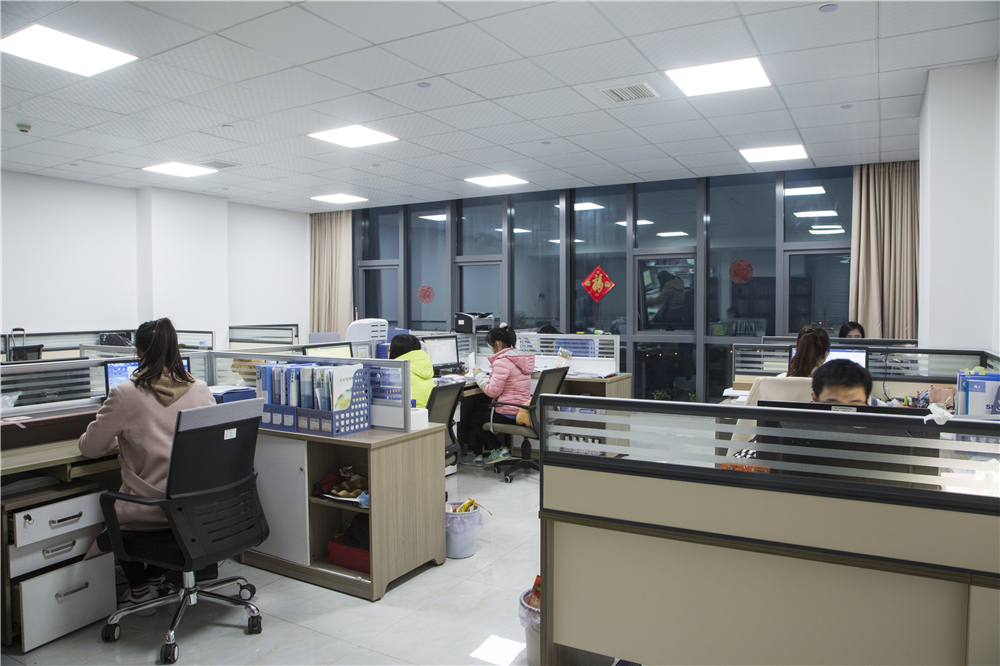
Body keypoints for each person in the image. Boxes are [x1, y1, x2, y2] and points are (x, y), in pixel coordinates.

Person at [79, 318, 215, 613]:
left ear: (139, 353)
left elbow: (90, 448)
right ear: (176, 349)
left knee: (113, 508)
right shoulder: (201, 390)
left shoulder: (124, 394)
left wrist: (119, 437)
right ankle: (154, 578)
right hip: (195, 510)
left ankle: (140, 589)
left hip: (151, 511)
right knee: (164, 506)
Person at [461, 324, 535, 467]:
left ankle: (499, 449)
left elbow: (492, 392)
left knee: (473, 418)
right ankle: (477, 455)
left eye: (490, 346)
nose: (490, 349)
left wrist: (478, 374)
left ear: (497, 344)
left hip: (509, 412)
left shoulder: (502, 361)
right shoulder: (519, 358)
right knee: (480, 412)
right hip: (522, 410)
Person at [388, 334, 434, 409]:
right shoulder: (425, 366)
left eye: (389, 351)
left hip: (412, 414)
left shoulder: (397, 373)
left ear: (396, 352)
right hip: (427, 414)